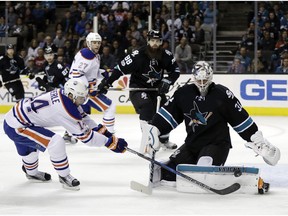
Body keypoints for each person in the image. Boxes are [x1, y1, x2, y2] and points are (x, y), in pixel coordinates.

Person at [142, 61, 280, 187]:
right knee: (167, 171)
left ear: (211, 77)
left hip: (217, 144)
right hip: (192, 144)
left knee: (204, 170)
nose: (202, 83)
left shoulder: (222, 94)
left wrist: (257, 139)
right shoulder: (183, 94)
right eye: (199, 79)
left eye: (205, 79)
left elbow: (240, 118)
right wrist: (155, 129)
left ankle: (240, 180)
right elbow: (168, 115)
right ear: (194, 77)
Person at [3, 78, 127, 190]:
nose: (83, 101)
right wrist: (110, 143)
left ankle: (31, 173)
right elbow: (86, 138)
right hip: (17, 126)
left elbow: (83, 118)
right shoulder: (66, 109)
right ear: (71, 95)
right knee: (55, 142)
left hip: (16, 118)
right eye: (80, 98)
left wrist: (105, 133)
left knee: (30, 151)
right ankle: (64, 176)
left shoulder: (64, 94)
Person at [97, 29, 180, 151]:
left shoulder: (166, 55)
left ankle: (163, 140)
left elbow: (175, 71)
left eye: (157, 41)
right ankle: (147, 140)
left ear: (161, 42)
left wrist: (167, 81)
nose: (155, 44)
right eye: (152, 41)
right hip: (138, 89)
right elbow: (119, 69)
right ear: (148, 41)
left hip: (157, 90)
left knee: (165, 112)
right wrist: (107, 83)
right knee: (147, 108)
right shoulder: (137, 55)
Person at [68, 32, 116, 134]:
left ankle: (69, 134)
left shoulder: (94, 55)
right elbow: (76, 74)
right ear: (88, 43)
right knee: (109, 107)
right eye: (94, 42)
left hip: (81, 89)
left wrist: (104, 73)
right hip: (81, 90)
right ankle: (109, 133)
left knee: (78, 112)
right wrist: (87, 89)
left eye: (98, 42)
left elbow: (91, 73)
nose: (97, 45)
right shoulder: (87, 55)